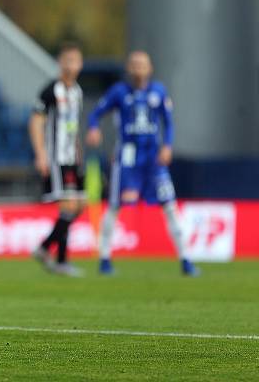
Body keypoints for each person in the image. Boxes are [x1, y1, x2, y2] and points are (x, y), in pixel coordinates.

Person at [86, 50, 198, 276]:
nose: (138, 69)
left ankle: (186, 260)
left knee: (169, 205)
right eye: (134, 64)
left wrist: (167, 145)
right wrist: (93, 128)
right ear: (128, 68)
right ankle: (105, 259)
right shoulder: (119, 92)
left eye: (142, 65)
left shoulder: (159, 91)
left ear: (150, 68)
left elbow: (168, 122)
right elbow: (95, 113)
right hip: (127, 157)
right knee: (115, 205)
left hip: (153, 157)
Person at [28, 42, 86, 277]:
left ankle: (46, 249)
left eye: (76, 61)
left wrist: (79, 149)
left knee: (78, 206)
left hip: (72, 156)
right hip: (55, 157)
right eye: (68, 60)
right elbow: (35, 121)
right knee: (68, 205)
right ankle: (58, 258)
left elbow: (73, 127)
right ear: (60, 63)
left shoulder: (77, 92)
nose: (72, 65)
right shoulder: (50, 90)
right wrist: (41, 154)